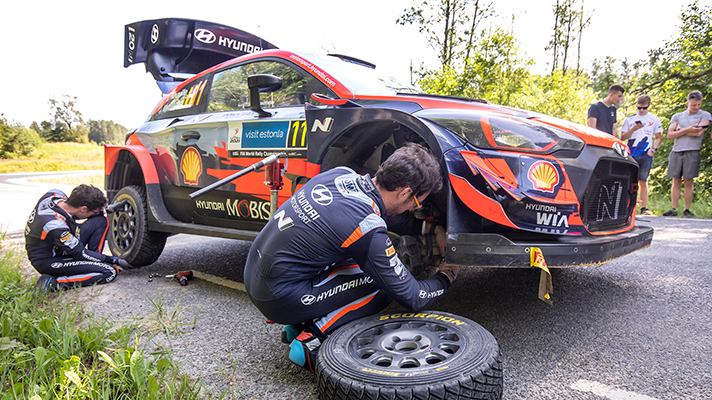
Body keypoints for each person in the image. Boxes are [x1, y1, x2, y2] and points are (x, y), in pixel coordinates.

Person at [244, 143, 457, 373]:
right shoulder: (366, 227)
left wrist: (430, 227)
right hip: (279, 298)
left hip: (254, 275)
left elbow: (382, 212)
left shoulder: (340, 175)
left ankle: (297, 324)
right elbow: (413, 296)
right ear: (405, 192)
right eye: (417, 203)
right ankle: (312, 339)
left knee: (355, 259)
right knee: (386, 283)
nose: (414, 208)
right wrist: (447, 274)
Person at [25, 184, 130, 292]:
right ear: (83, 209)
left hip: (61, 245)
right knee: (110, 272)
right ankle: (55, 283)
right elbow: (81, 253)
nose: (96, 212)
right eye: (94, 211)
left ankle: (93, 262)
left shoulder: (55, 194)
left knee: (101, 221)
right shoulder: (55, 226)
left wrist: (108, 209)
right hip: (49, 260)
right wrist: (115, 260)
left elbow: (79, 214)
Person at [663, 91, 712, 217]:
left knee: (688, 181)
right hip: (677, 150)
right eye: (694, 105)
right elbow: (670, 135)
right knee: (676, 180)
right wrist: (688, 129)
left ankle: (687, 209)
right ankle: (674, 208)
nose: (696, 107)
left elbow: (697, 133)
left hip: (693, 150)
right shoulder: (677, 116)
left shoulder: (705, 115)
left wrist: (680, 130)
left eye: (699, 104)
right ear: (687, 103)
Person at [620, 94, 663, 215]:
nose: (641, 110)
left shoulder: (654, 119)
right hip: (631, 152)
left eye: (644, 108)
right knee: (628, 179)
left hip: (646, 153)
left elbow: (658, 137)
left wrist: (653, 149)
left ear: (649, 106)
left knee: (643, 180)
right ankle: (626, 206)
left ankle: (643, 207)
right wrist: (634, 129)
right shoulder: (630, 119)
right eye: (639, 108)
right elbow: (622, 137)